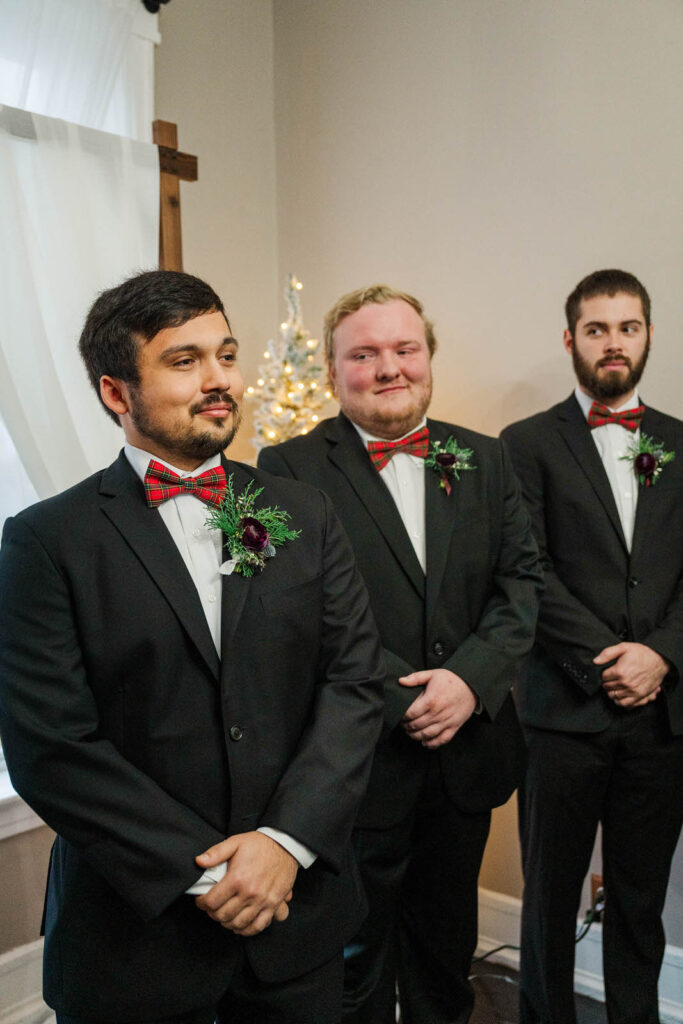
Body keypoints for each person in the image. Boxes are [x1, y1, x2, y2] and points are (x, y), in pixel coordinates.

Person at [0, 270, 386, 1024]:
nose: (219, 382)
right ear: (117, 393)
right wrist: (208, 878)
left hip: (295, 920)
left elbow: (354, 683)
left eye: (225, 355)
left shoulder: (302, 512)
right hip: (134, 934)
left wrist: (284, 843)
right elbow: (52, 746)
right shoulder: (47, 540)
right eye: (183, 361)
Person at [258, 283, 542, 1023]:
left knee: (446, 957)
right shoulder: (282, 469)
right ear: (331, 372)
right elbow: (295, 615)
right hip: (355, 762)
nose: (389, 367)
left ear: (427, 360)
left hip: (464, 758)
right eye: (364, 354)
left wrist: (466, 682)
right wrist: (405, 694)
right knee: (352, 961)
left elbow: (520, 587)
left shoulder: (485, 459)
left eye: (404, 349)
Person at [501, 269, 683, 1024]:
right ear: (570, 338)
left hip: (662, 717)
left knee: (639, 900)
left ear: (646, 335)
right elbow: (526, 571)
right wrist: (611, 661)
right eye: (598, 329)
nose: (614, 343)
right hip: (561, 712)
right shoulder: (525, 444)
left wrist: (661, 655)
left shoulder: (678, 442)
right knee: (548, 896)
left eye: (628, 327)